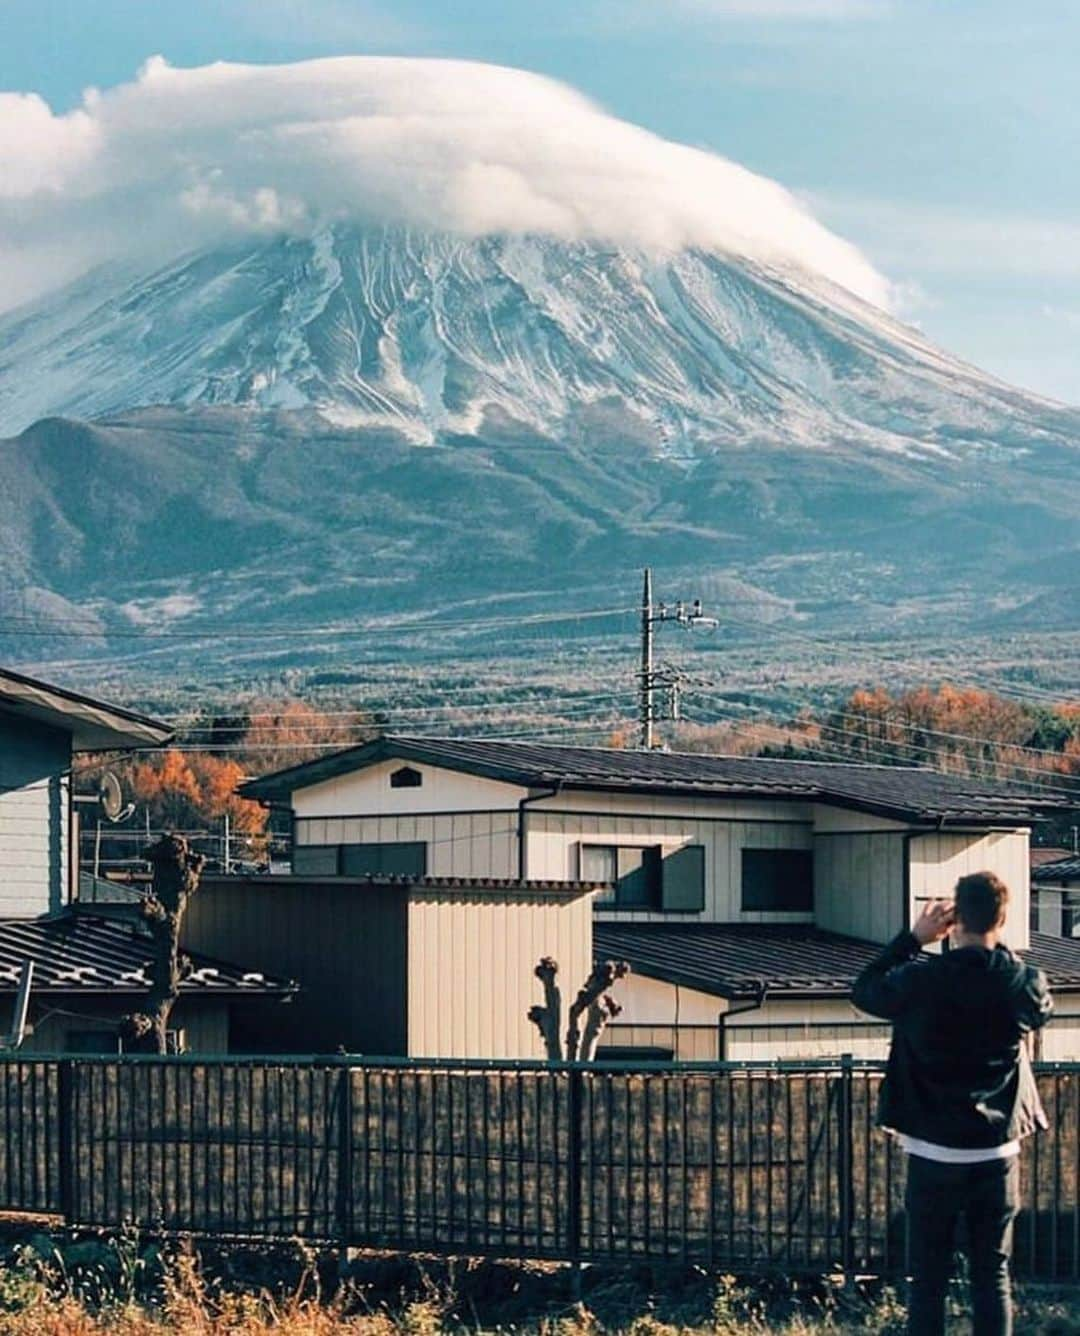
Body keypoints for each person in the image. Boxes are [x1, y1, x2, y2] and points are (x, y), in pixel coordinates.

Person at [853, 871, 1052, 1336]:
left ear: (954, 919)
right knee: (992, 1274)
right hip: (997, 1151)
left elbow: (864, 990)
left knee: (928, 1280)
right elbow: (1039, 1004)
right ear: (1001, 919)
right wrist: (996, 944)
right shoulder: (1022, 983)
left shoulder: (920, 981)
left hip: (932, 1150)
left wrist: (912, 939)